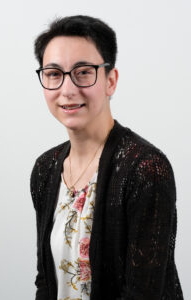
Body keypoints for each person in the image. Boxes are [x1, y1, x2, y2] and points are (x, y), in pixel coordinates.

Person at [30, 15, 184, 300]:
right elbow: (46, 279)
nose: (67, 89)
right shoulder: (45, 169)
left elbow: (143, 293)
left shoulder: (145, 168)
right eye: (53, 73)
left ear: (110, 80)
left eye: (83, 72)